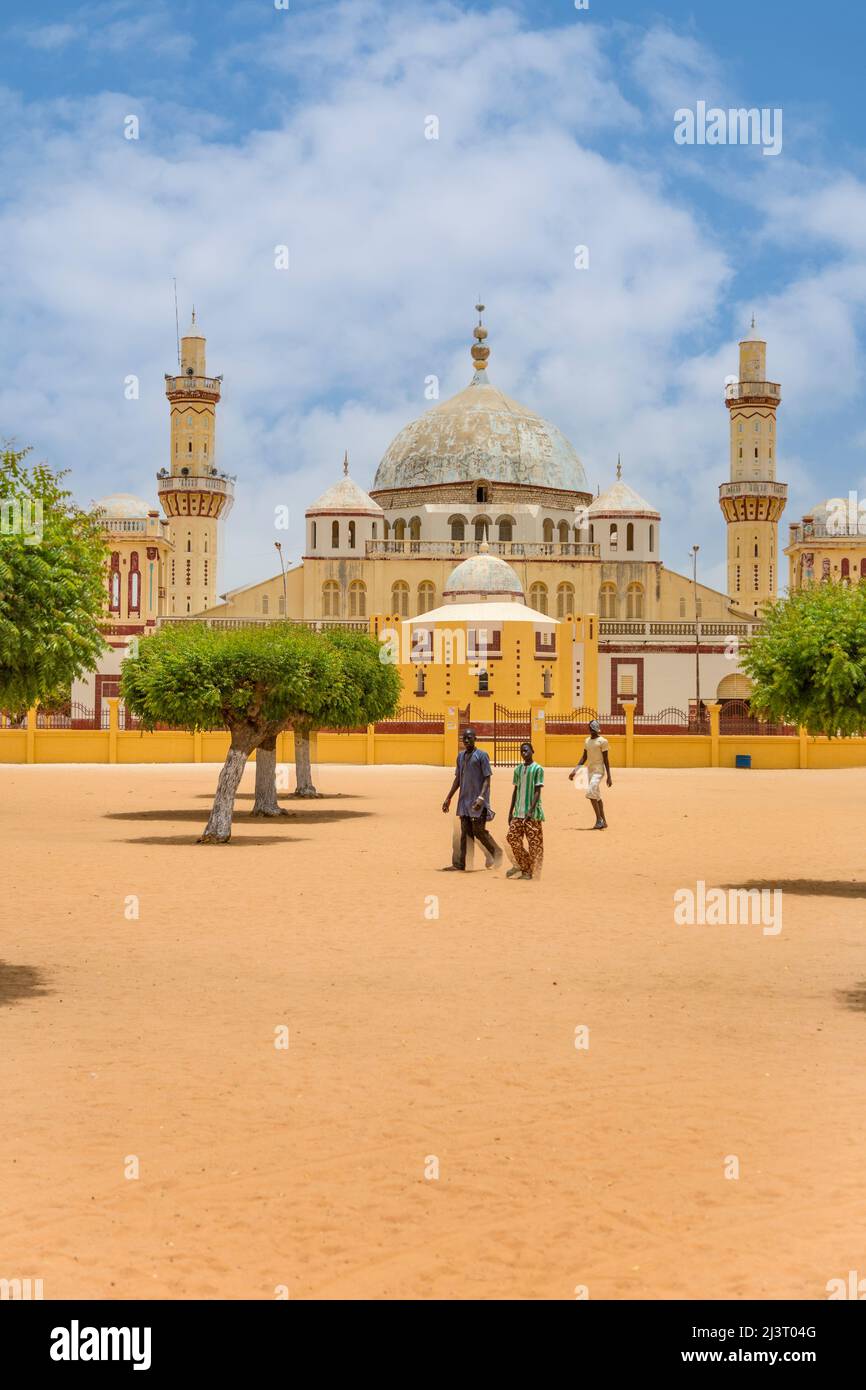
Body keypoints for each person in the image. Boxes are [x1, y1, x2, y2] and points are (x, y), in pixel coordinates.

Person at [442, 728, 503, 870]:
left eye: (469, 738)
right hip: (464, 801)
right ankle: (460, 864)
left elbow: (487, 778)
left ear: (475, 739)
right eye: (464, 738)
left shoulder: (482, 756)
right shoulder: (461, 757)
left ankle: (496, 852)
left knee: (478, 830)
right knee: (465, 832)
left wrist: (481, 798)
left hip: (478, 801)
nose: (467, 741)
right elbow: (458, 778)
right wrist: (448, 797)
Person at [506, 741, 544, 880]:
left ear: (532, 751)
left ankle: (532, 873)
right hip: (518, 812)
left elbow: (537, 791)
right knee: (511, 837)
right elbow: (515, 790)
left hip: (532, 814)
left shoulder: (538, 769)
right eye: (521, 751)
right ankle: (526, 865)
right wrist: (510, 811)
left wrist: (531, 810)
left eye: (526, 750)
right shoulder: (518, 769)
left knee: (534, 845)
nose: (524, 753)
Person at [569, 718, 612, 828]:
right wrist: (575, 771)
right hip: (590, 771)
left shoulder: (603, 741)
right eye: (591, 729)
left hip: (599, 771)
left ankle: (599, 820)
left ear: (597, 730)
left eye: (594, 729)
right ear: (589, 729)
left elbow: (606, 760)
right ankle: (604, 822)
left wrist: (609, 776)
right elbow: (584, 757)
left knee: (590, 791)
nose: (593, 731)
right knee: (596, 796)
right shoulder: (587, 741)